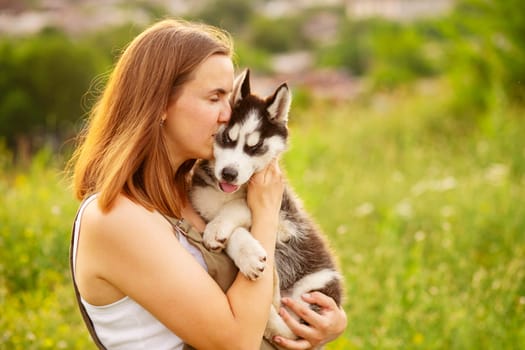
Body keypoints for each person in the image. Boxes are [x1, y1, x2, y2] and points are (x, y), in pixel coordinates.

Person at [68, 18, 347, 350]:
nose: (228, 115)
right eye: (215, 98)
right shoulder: (116, 217)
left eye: (228, 99)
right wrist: (265, 213)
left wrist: (322, 322)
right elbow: (236, 342)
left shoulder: (189, 190)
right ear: (159, 104)